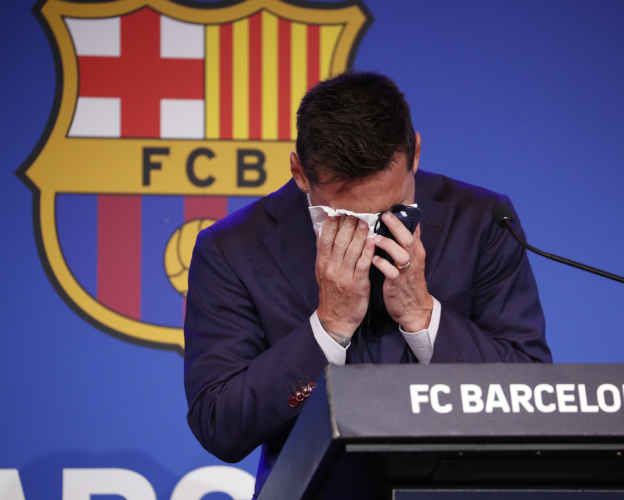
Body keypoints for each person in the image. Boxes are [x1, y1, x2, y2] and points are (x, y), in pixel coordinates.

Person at [183, 72, 552, 497]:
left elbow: (531, 393)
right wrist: (328, 327)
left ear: (415, 151)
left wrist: (423, 316)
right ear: (300, 173)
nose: (374, 232)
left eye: (394, 209)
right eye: (347, 218)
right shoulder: (233, 248)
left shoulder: (482, 220)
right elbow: (220, 425)